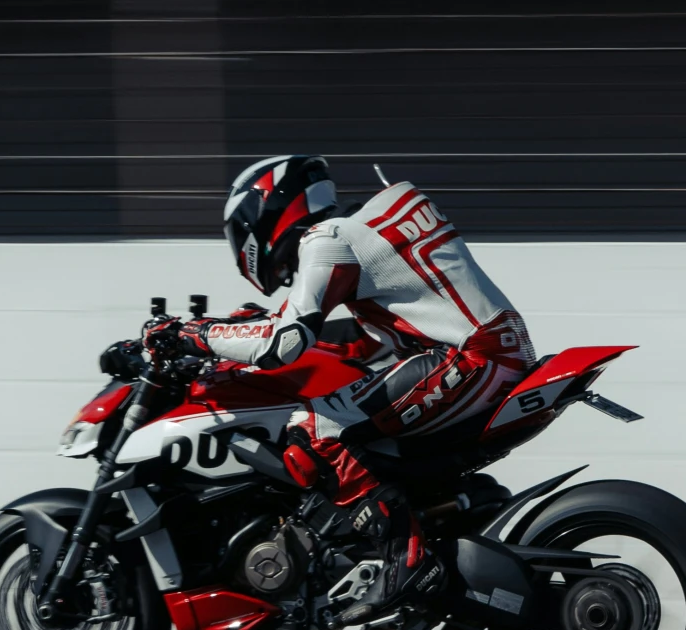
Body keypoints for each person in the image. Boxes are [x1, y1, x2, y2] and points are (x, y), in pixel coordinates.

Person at [188, 154, 536, 515]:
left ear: (266, 209)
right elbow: (359, 337)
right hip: (494, 352)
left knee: (313, 429)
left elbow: (283, 342)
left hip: (469, 360)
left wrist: (194, 333)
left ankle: (405, 555)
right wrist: (244, 328)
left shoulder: (328, 237)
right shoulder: (363, 230)